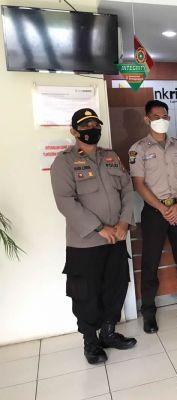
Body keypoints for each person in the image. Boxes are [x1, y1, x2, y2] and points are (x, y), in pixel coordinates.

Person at [51, 108, 137, 364]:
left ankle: (108, 333)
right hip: (85, 243)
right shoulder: (63, 162)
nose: (92, 130)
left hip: (116, 238)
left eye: (95, 126)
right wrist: (100, 228)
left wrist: (124, 222)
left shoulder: (111, 156)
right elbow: (65, 201)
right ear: (74, 131)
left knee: (116, 286)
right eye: (86, 126)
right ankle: (90, 341)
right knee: (86, 294)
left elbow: (127, 189)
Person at [129, 100, 177, 334]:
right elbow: (138, 184)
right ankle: (148, 313)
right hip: (154, 213)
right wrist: (163, 210)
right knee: (150, 263)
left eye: (164, 116)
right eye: (156, 117)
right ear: (147, 119)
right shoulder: (138, 149)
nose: (161, 120)